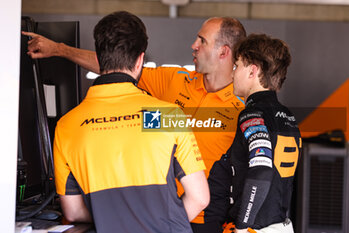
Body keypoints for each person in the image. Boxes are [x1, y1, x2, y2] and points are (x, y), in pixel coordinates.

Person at [23, 15, 247, 231]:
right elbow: (118, 63)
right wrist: (59, 50)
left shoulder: (243, 106)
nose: (194, 45)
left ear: (223, 52)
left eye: (202, 40)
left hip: (206, 217)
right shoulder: (175, 80)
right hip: (157, 214)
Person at [52, 11, 209, 233]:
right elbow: (200, 198)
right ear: (140, 61)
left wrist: (116, 219)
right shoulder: (165, 116)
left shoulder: (67, 126)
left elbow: (73, 212)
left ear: (98, 59)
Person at [223, 34, 301, 232]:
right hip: (283, 225)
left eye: (236, 65)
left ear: (252, 71)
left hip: (257, 227)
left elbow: (262, 168)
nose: (232, 73)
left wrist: (242, 225)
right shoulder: (288, 115)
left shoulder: (252, 113)